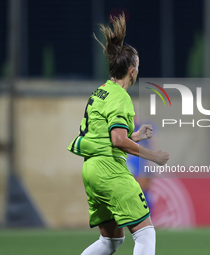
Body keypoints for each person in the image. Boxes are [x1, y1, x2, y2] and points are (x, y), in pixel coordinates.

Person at [68, 14, 169, 255]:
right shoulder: (122, 98)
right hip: (110, 172)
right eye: (138, 68)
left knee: (111, 241)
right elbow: (117, 141)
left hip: (91, 171)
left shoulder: (100, 92)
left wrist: (135, 136)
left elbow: (106, 138)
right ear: (131, 71)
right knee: (146, 232)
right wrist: (153, 156)